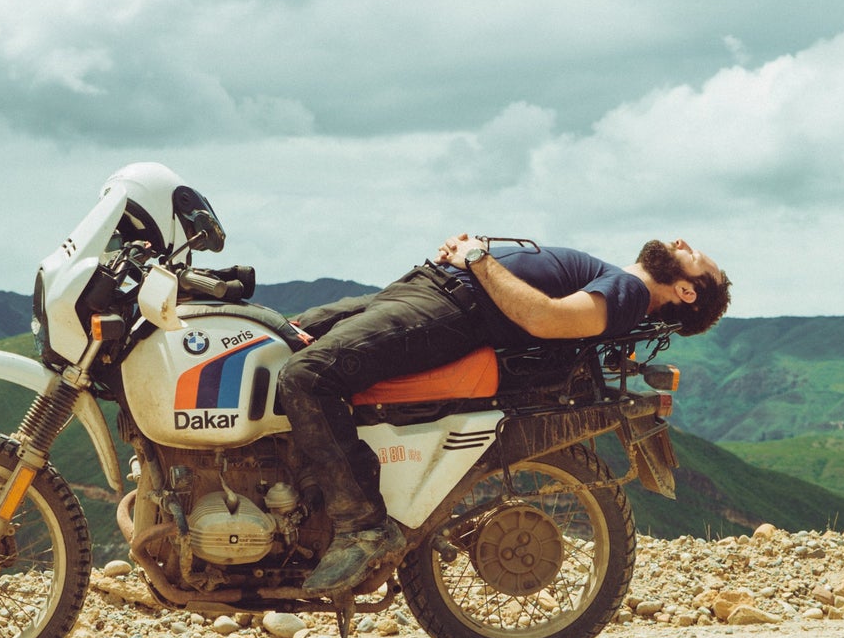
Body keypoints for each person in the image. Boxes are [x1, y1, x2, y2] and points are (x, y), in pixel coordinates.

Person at [277, 235, 730, 598]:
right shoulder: (616, 279)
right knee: (270, 338)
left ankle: (363, 527)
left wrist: (477, 258)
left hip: (451, 306)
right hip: (428, 290)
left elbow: (547, 319)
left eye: (693, 256)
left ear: (686, 291)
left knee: (308, 374)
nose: (682, 242)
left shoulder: (629, 292)